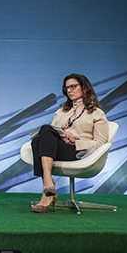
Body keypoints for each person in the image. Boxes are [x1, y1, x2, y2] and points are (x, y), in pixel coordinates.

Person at [30, 73, 109, 213]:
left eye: (73, 86)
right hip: (57, 148)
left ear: (84, 88)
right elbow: (50, 135)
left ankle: (48, 186)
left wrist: (76, 142)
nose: (69, 90)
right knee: (41, 135)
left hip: (77, 152)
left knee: (41, 136)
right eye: (66, 88)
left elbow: (101, 143)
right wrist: (63, 136)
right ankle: (48, 184)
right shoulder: (61, 112)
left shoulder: (97, 113)